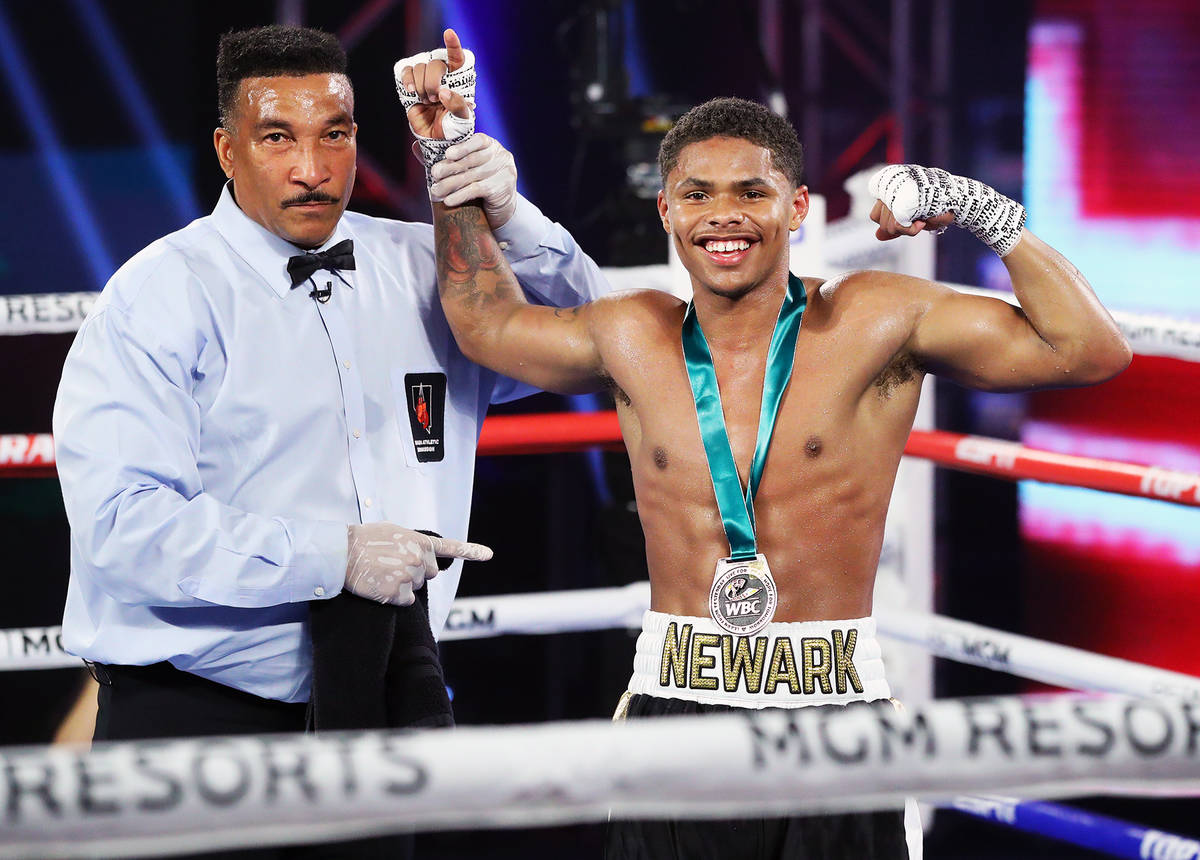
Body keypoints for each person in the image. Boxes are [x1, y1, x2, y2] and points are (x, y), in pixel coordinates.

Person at [427, 95, 1132, 859]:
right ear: (667, 210)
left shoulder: (877, 318)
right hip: (675, 705)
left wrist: (975, 207)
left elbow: (1089, 350)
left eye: (751, 193)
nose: (722, 216)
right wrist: (449, 161)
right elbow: (486, 324)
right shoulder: (631, 332)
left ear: (796, 207)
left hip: (832, 710)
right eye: (698, 194)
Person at [52, 23, 606, 858]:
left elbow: (596, 344)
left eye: (335, 135)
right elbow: (123, 526)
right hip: (197, 715)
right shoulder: (157, 297)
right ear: (227, 150)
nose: (312, 169)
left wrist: (508, 212)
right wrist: (329, 556)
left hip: (382, 703)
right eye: (278, 138)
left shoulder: (428, 268)